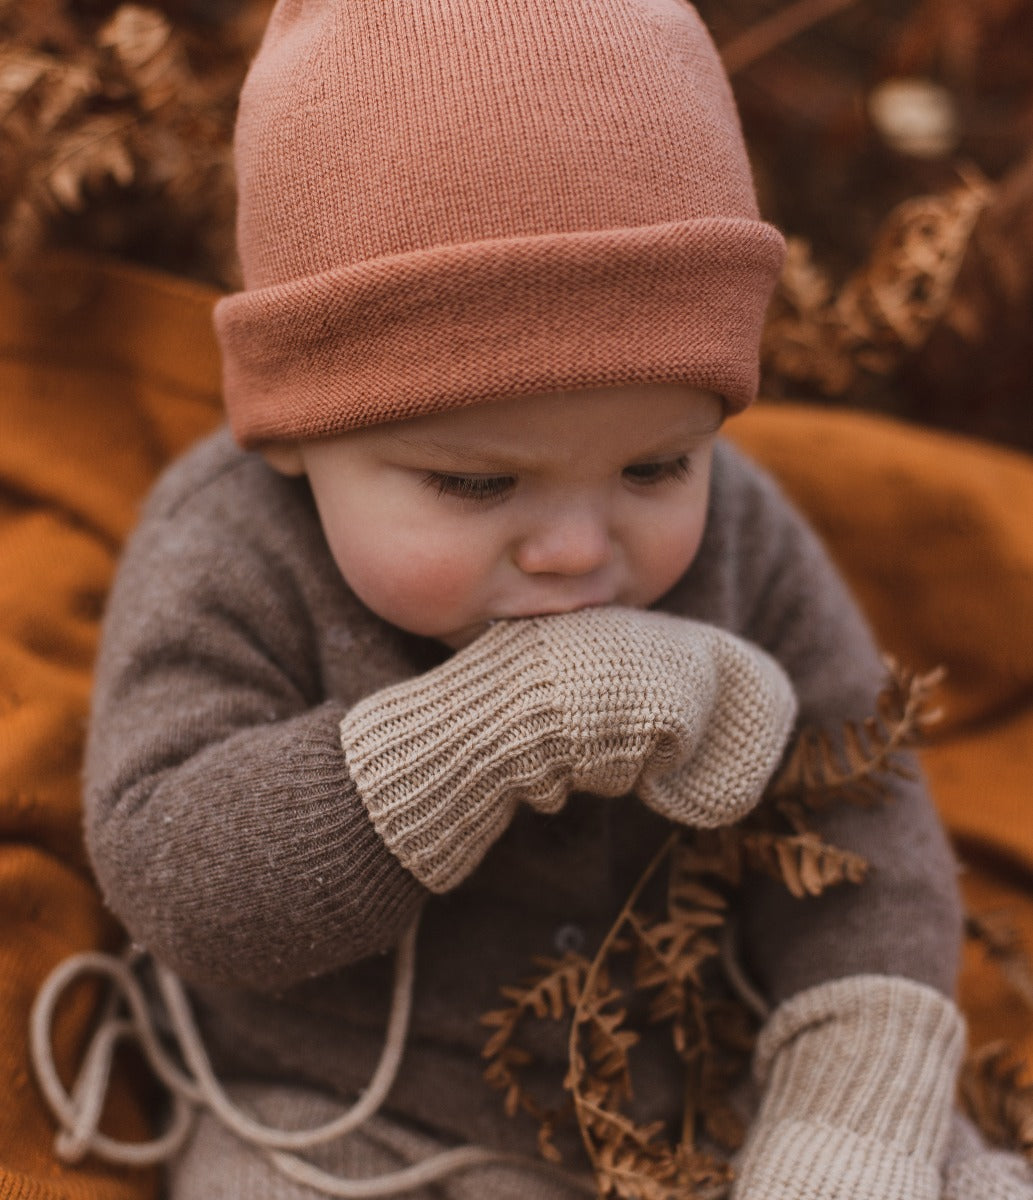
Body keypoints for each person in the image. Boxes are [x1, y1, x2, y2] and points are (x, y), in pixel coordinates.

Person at [74, 2, 1031, 1197]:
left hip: (695, 1072)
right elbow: (178, 877)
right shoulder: (226, 548)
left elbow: (858, 820)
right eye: (477, 481)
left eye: (654, 466)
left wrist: (849, 1095)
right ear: (290, 431)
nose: (578, 549)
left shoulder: (743, 529)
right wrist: (490, 728)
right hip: (346, 1120)